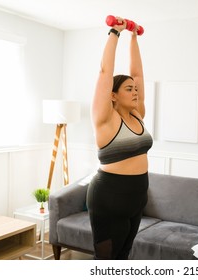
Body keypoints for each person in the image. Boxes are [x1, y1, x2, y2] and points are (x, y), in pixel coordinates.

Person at [86, 17, 153, 260]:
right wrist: (116, 32)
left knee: (123, 257)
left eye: (135, 90)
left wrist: (134, 38)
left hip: (137, 198)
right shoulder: (105, 119)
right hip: (109, 198)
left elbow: (138, 75)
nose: (135, 92)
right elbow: (105, 72)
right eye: (128, 89)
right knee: (106, 261)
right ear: (112, 95)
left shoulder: (137, 114)